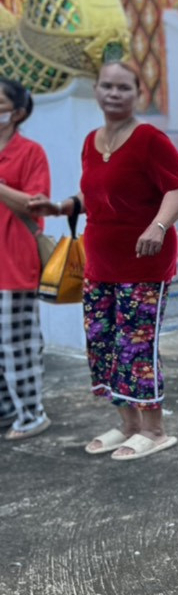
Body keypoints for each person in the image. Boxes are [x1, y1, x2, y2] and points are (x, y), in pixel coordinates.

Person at [31, 61, 178, 460]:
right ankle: (127, 425)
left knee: (136, 346)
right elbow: (97, 192)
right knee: (102, 345)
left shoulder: (150, 139)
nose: (114, 94)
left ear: (138, 92)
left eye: (123, 87)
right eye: (107, 86)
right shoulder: (92, 140)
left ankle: (154, 430)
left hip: (143, 262)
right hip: (98, 261)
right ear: (97, 90)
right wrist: (65, 204)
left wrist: (157, 226)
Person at [0, 79, 51, 440]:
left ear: (16, 112)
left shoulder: (30, 152)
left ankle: (32, 415)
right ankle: (6, 411)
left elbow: (35, 203)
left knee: (18, 345)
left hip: (15, 261)